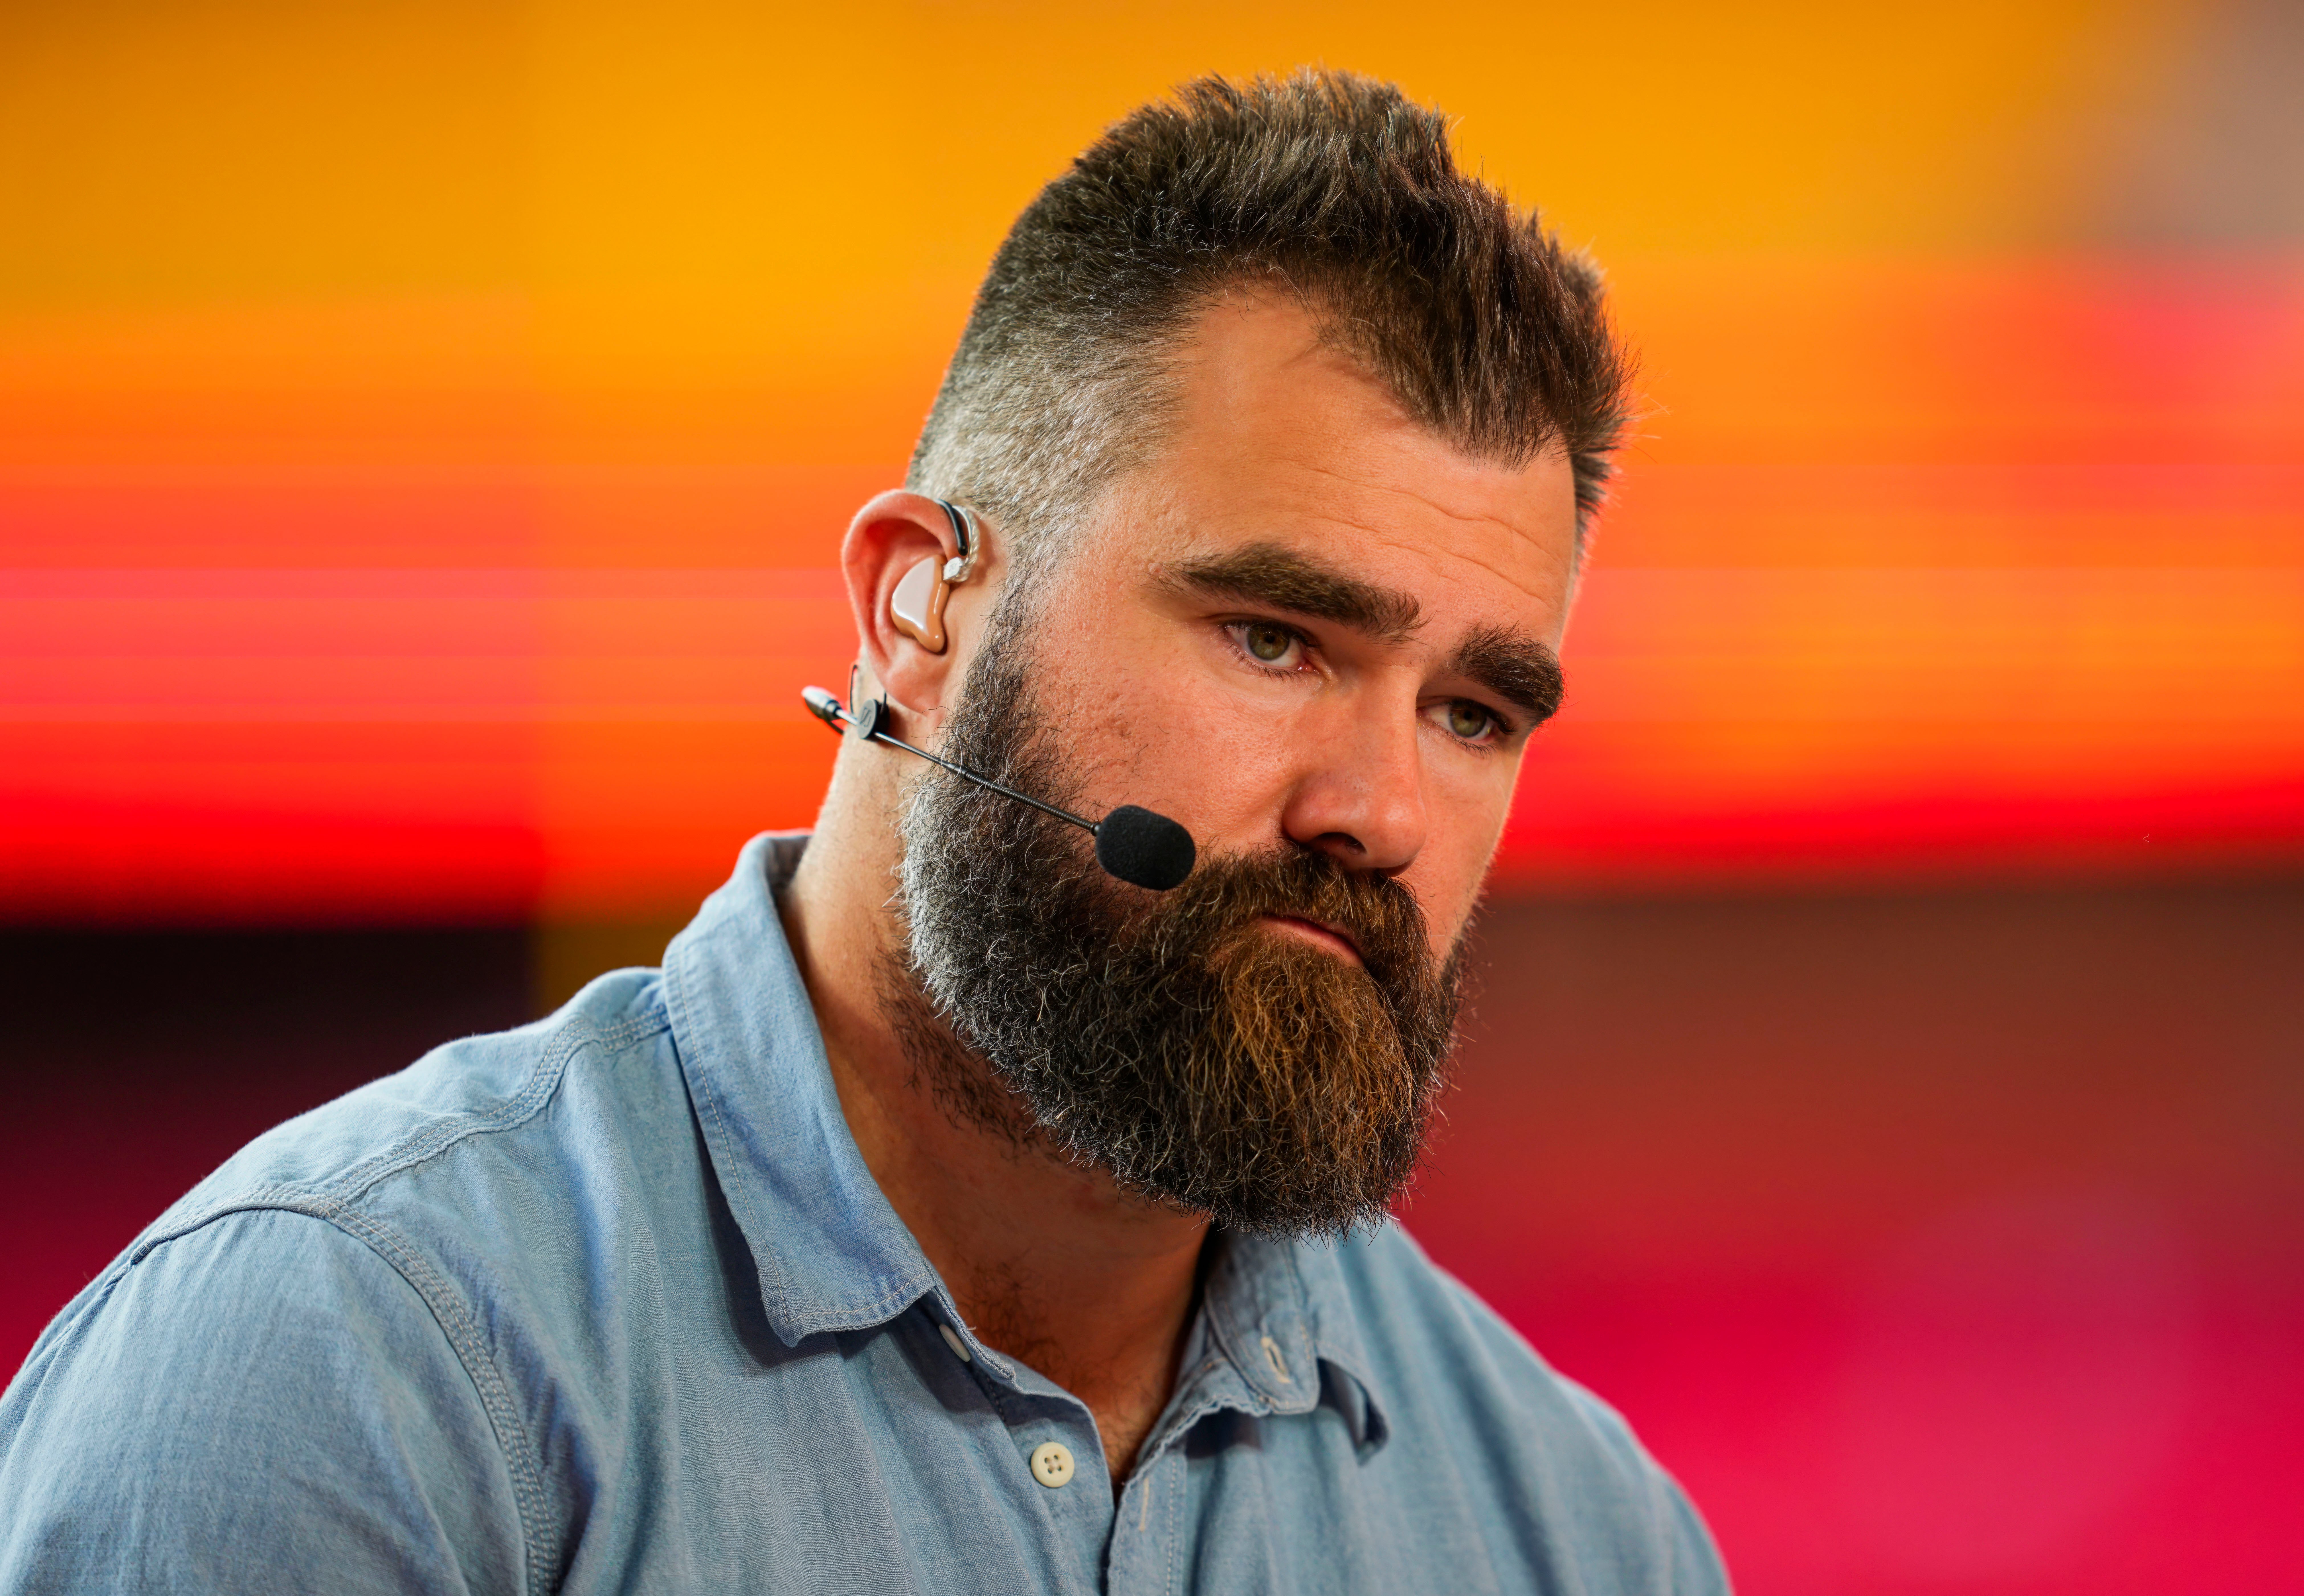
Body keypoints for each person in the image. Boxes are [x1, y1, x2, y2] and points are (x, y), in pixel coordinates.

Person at [0, 70, 1727, 1594]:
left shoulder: (1575, 1533)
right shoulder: (349, 1376)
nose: (1380, 810)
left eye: (1472, 710)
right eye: (1275, 638)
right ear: (920, 608)